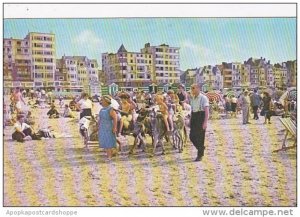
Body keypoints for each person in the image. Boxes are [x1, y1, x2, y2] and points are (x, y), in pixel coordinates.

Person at [189, 84, 209, 162]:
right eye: (191, 88)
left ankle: (200, 155)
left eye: (193, 88)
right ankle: (201, 148)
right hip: (194, 117)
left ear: (198, 88)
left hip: (201, 116)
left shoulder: (203, 98)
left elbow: (206, 111)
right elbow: (192, 110)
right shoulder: (193, 98)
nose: (192, 90)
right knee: (192, 136)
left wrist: (205, 122)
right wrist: (190, 120)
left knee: (200, 137)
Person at [98, 95, 118, 161]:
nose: (101, 102)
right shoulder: (102, 109)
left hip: (109, 126)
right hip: (102, 126)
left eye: (103, 100)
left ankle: (109, 156)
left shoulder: (111, 109)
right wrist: (98, 125)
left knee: (108, 141)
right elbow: (100, 118)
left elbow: (115, 118)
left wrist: (114, 127)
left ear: (106, 101)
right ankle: (109, 155)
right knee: (104, 140)